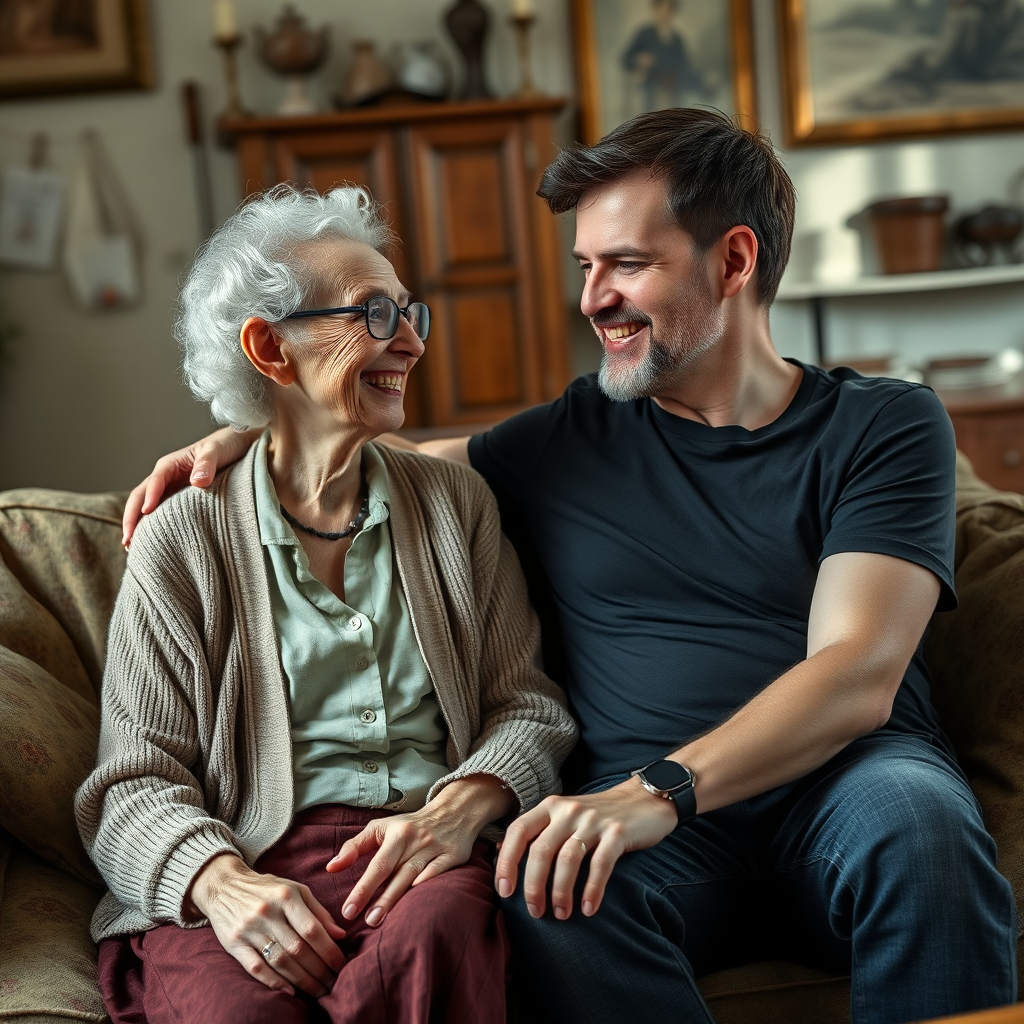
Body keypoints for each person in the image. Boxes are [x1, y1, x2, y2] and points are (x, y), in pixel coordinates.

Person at [121, 110, 1018, 1024]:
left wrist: (658, 790)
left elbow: (856, 672)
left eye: (627, 263)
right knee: (540, 888)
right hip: (651, 839)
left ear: (735, 262)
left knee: (923, 822)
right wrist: (257, 431)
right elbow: (379, 461)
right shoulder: (563, 441)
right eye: (584, 267)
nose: (592, 298)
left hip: (843, 790)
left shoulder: (884, 425)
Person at [76, 184, 577, 1024]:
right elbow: (131, 782)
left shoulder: (455, 507)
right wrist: (221, 884)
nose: (411, 340)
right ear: (271, 350)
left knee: (441, 936)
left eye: (409, 312)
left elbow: (526, 707)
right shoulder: (186, 538)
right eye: (373, 315)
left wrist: (461, 807)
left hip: (419, 855)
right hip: (246, 855)